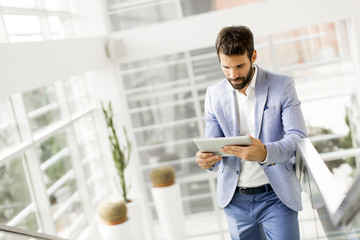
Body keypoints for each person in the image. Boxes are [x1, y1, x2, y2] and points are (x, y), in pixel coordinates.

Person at [195, 25, 307, 240]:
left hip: (276, 197)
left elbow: (298, 138)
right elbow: (214, 146)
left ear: (253, 55)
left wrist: (264, 152)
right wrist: (208, 160)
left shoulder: (282, 85)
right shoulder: (214, 94)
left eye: (239, 66)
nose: (233, 75)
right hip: (235, 201)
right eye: (226, 67)